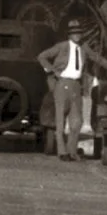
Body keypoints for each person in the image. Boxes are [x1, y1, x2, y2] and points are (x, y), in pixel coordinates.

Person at [38, 23, 95, 161]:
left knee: (77, 122)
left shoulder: (83, 47)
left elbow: (96, 57)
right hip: (62, 83)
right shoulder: (61, 46)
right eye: (74, 33)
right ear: (69, 35)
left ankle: (72, 152)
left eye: (79, 32)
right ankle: (62, 153)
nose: (77, 35)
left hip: (76, 85)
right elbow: (42, 56)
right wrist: (52, 70)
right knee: (60, 120)